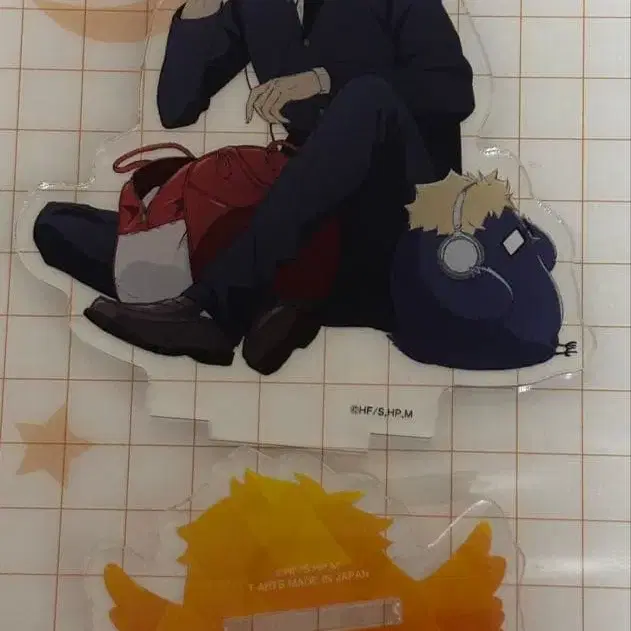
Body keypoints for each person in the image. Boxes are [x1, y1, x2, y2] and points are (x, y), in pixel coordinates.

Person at [34, 0, 475, 374]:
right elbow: (176, 107)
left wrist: (324, 80)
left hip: (400, 219)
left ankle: (219, 310)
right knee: (58, 225)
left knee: (366, 98)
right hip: (299, 221)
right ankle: (287, 301)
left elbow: (452, 88)